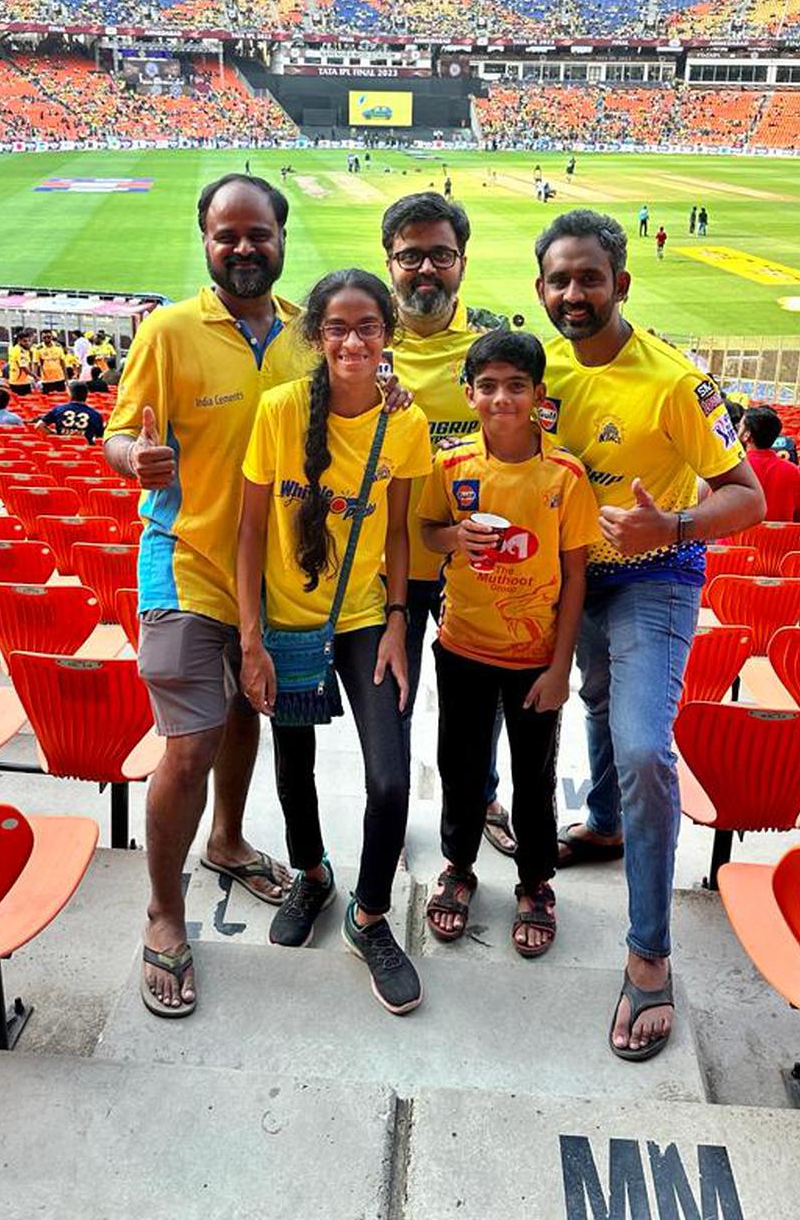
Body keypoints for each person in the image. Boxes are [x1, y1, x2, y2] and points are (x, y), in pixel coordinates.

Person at [535, 209, 764, 1060]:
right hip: (571, 576)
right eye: (560, 280)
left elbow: (749, 496)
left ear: (621, 283)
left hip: (654, 576)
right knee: (597, 702)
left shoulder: (674, 378)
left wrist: (666, 526)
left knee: (640, 744)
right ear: (540, 289)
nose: (574, 294)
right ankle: (604, 823)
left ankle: (650, 957)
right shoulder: (539, 360)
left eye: (590, 278)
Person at [104, 174, 307, 1019]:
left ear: (281, 237)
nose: (243, 248)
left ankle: (225, 843)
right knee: (186, 744)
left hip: (272, 576)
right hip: (183, 560)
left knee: (243, 715)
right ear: (206, 243)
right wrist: (133, 461)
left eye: (257, 233)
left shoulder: (305, 334)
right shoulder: (169, 331)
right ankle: (162, 911)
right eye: (227, 236)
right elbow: (120, 433)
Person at [237, 269, 431, 1014]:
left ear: (389, 334)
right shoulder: (280, 411)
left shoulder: (403, 423)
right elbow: (251, 529)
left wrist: (397, 622)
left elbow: (403, 535)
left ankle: (369, 913)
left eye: (369, 327)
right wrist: (252, 637)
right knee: (294, 768)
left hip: (362, 620)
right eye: (339, 328)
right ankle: (312, 875)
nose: (354, 341)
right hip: (286, 623)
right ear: (318, 336)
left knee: (388, 779)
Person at [418, 330, 598, 957]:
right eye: (488, 386)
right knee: (461, 768)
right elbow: (429, 530)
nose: (502, 399)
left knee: (534, 773)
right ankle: (459, 867)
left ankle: (534, 881)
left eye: (516, 386)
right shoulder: (452, 466)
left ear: (539, 395)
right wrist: (453, 539)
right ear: (469, 394)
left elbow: (575, 573)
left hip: (533, 659)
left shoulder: (566, 475)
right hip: (463, 645)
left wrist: (560, 665)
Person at [380, 191, 515, 855]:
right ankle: (392, 802)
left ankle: (480, 795)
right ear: (390, 261)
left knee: (477, 703)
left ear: (461, 261)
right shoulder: (361, 341)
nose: (426, 269)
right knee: (392, 699)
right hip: (390, 563)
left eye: (440, 255)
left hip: (475, 557)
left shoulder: (493, 340)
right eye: (411, 256)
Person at [740, 407, 800, 522]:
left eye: (740, 426)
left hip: (737, 539)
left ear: (747, 435)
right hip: (780, 539)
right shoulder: (792, 470)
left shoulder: (734, 467)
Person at [37, 381, 106, 446]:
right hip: (85, 453)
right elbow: (100, 437)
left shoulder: (58, 409)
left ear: (70, 394)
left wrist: (54, 434)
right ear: (87, 394)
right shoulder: (95, 415)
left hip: (61, 448)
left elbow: (39, 426)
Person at [34, 330, 70, 394]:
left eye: (48, 337)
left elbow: (62, 362)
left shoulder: (58, 346)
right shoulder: (38, 349)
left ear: (51, 337)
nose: (46, 339)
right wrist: (35, 377)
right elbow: (36, 364)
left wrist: (66, 379)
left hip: (59, 378)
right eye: (44, 337)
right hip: (46, 380)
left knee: (61, 398)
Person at [7, 332, 35, 397]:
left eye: (29, 341)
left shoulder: (23, 350)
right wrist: (36, 377)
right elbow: (24, 367)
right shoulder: (19, 351)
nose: (27, 343)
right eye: (25, 341)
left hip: (21, 381)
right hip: (19, 383)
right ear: (19, 340)